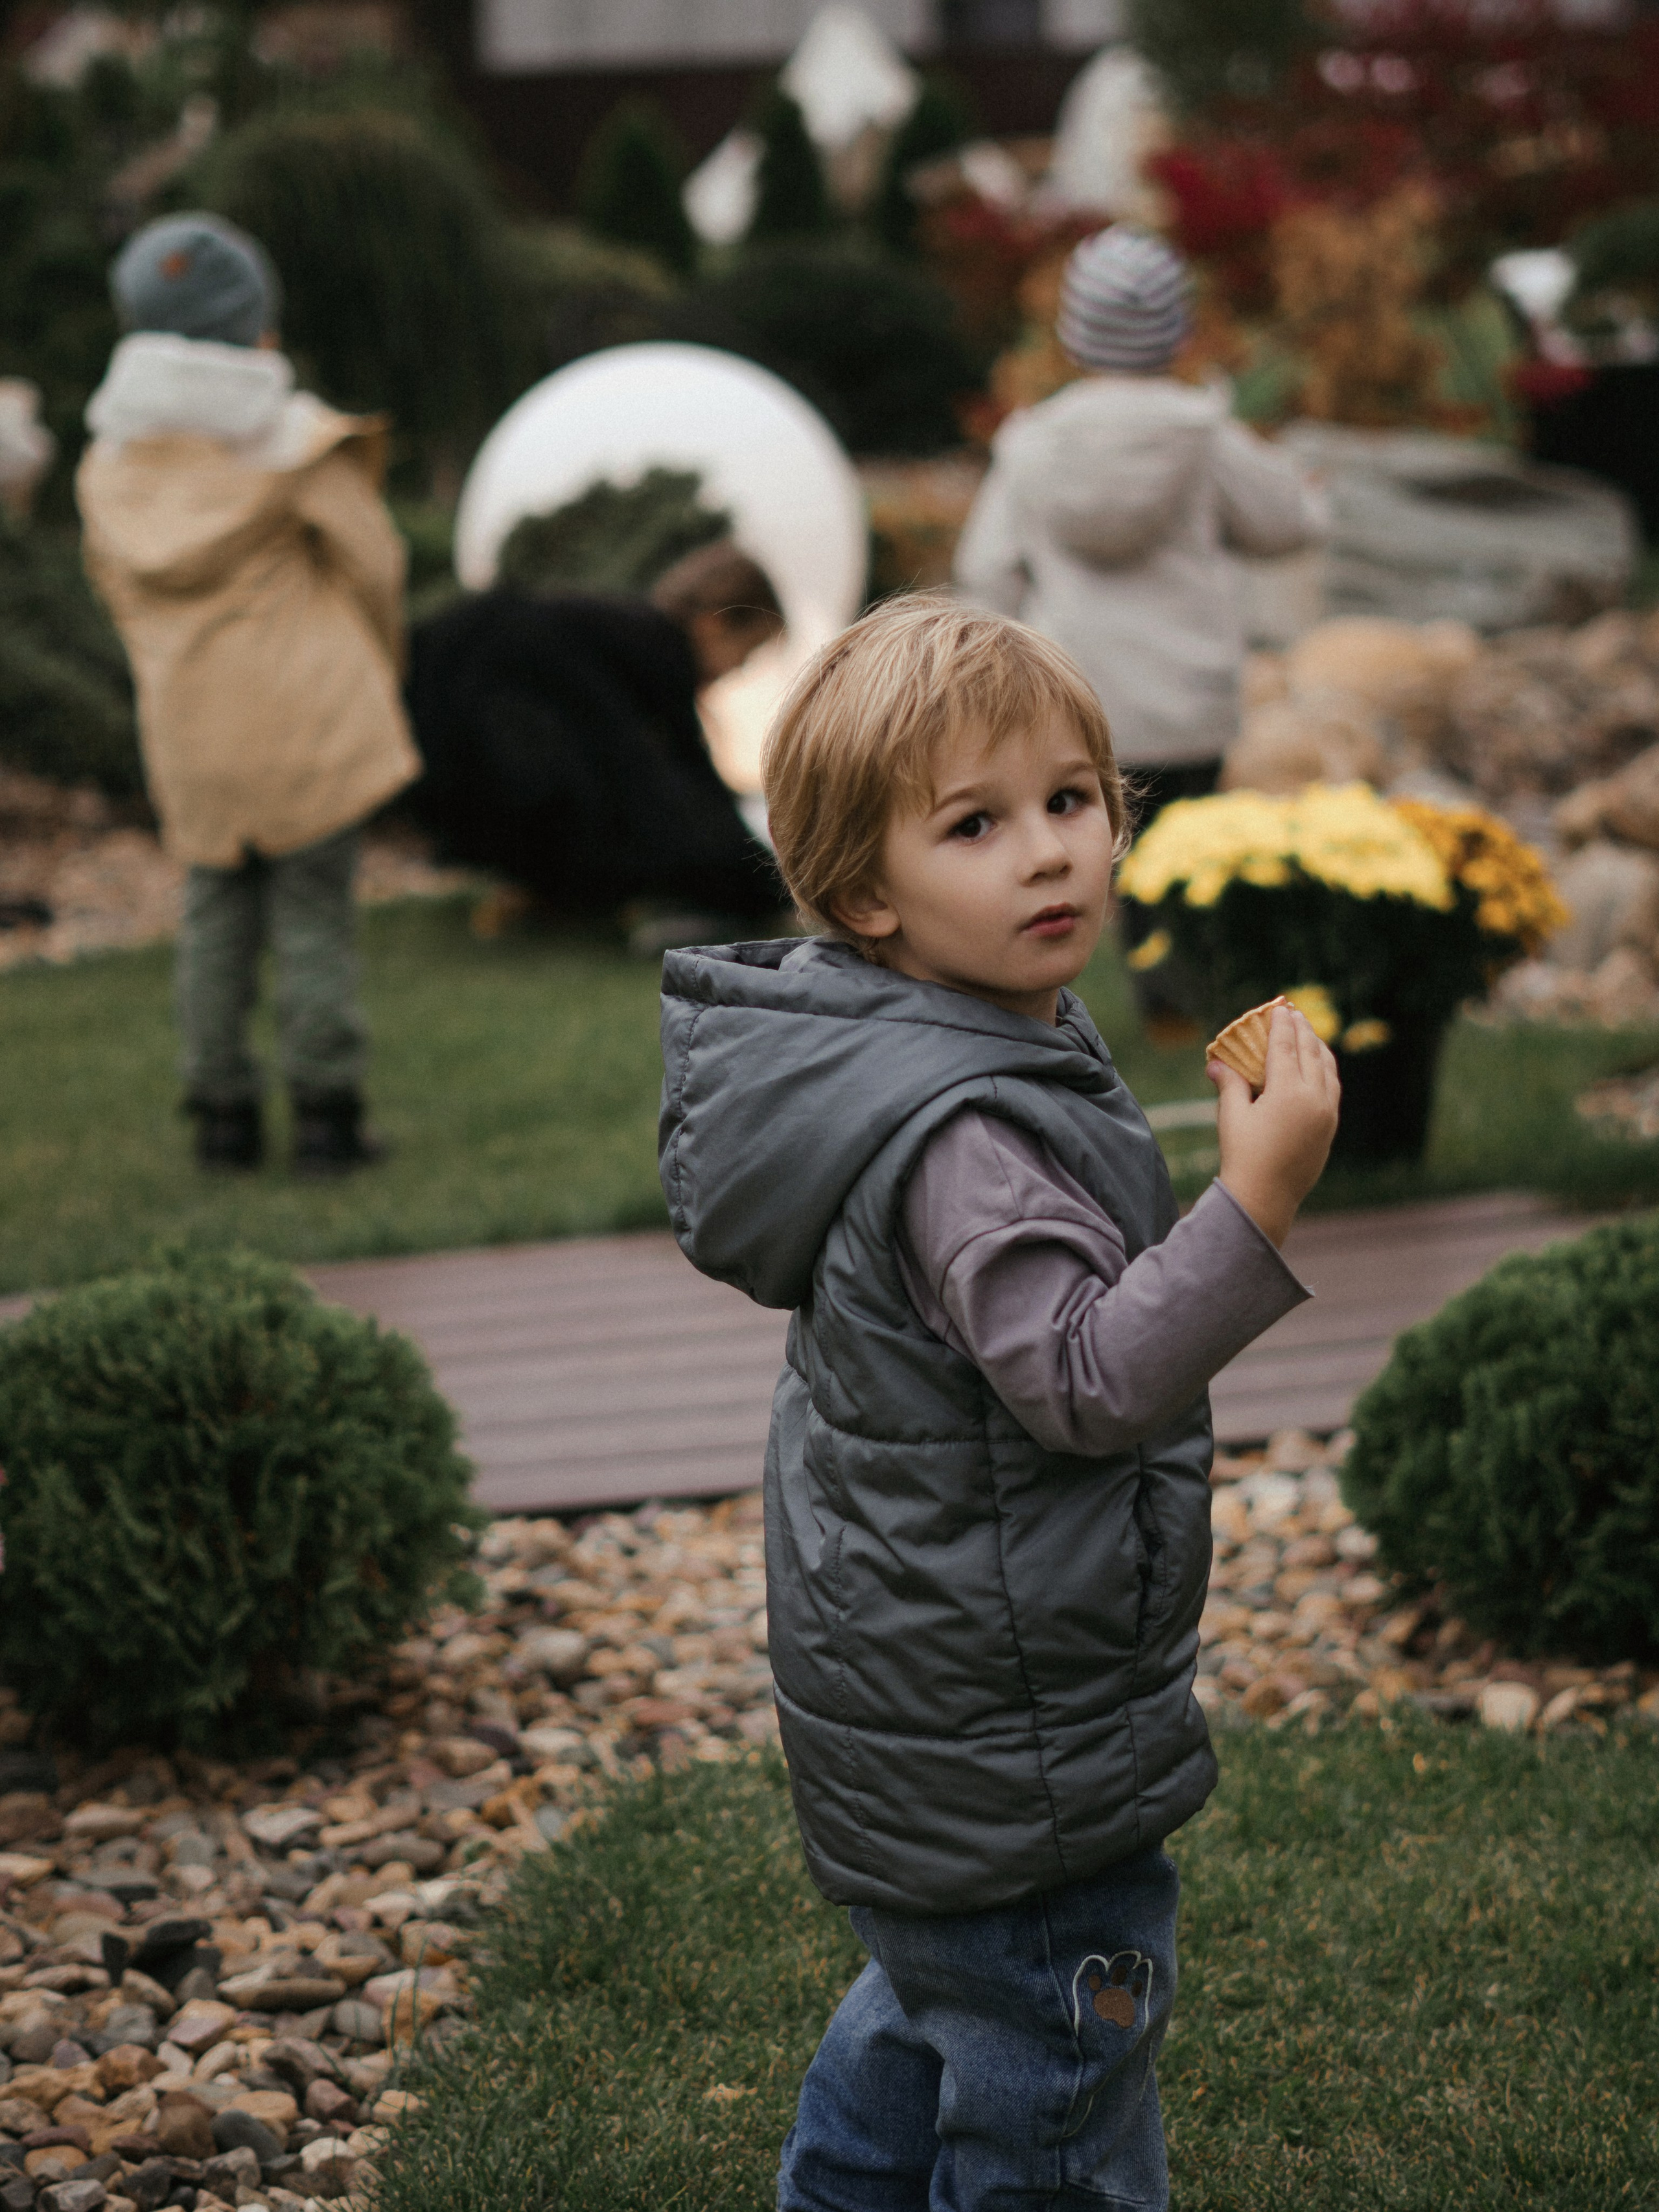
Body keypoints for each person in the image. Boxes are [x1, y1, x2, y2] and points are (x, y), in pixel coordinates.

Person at [658, 596, 1340, 2211]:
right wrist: (1252, 1205)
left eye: (1066, 799)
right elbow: (1086, 1381)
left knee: (939, 1998)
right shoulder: (957, 1133)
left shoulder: (948, 1036)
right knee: (1054, 2067)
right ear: (860, 897)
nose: (1046, 851)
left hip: (941, 1687)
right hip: (1006, 1727)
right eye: (973, 823)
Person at [77, 212, 417, 1174]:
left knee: (213, 915)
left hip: (189, 725)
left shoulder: (110, 469)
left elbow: (119, 595)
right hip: (307, 718)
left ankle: (222, 1115)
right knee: (314, 916)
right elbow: (375, 566)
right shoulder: (292, 444)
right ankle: (327, 1115)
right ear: (251, 327)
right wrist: (377, 665)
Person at [954, 225, 1326, 824]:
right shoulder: (1203, 437)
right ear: (1178, 333)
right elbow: (1285, 525)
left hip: (1077, 706)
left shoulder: (1033, 445)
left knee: (1094, 858)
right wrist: (1306, 494)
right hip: (1192, 711)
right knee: (1187, 865)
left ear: (1073, 336)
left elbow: (986, 572)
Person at [404, 541, 787, 937]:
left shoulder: (619, 632)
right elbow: (691, 777)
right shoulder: (663, 651)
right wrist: (769, 882)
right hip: (481, 730)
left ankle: (554, 900)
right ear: (714, 624)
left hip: (443, 717)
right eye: (746, 652)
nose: (738, 670)